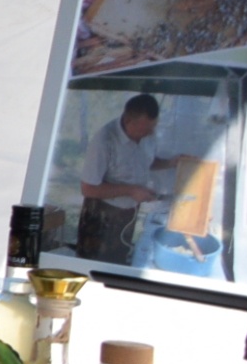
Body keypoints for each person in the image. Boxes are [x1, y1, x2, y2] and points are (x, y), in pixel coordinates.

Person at [77, 93, 179, 263]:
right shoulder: (104, 140)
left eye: (151, 128)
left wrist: (171, 162)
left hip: (128, 213)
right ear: (127, 121)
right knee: (94, 266)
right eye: (143, 130)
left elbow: (146, 161)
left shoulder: (148, 134)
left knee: (118, 261)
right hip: (101, 215)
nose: (148, 134)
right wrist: (131, 190)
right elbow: (88, 188)